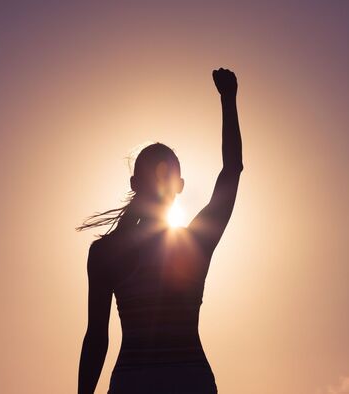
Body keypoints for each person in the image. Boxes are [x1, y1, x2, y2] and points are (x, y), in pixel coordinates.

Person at [76, 68, 243, 394]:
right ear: (179, 187)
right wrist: (228, 100)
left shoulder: (106, 252)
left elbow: (97, 336)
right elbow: (232, 170)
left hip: (137, 382)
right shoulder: (195, 242)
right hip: (188, 380)